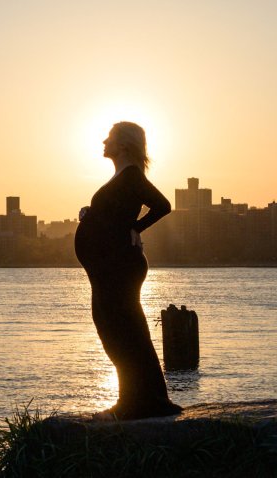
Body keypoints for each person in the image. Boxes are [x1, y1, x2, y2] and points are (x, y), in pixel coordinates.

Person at [75, 121, 182, 420]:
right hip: (109, 268)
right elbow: (113, 214)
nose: (103, 141)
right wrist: (91, 214)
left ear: (123, 145)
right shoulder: (122, 178)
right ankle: (140, 399)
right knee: (117, 331)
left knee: (123, 332)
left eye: (109, 138)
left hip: (120, 267)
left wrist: (136, 227)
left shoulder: (132, 175)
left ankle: (135, 404)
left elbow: (162, 205)